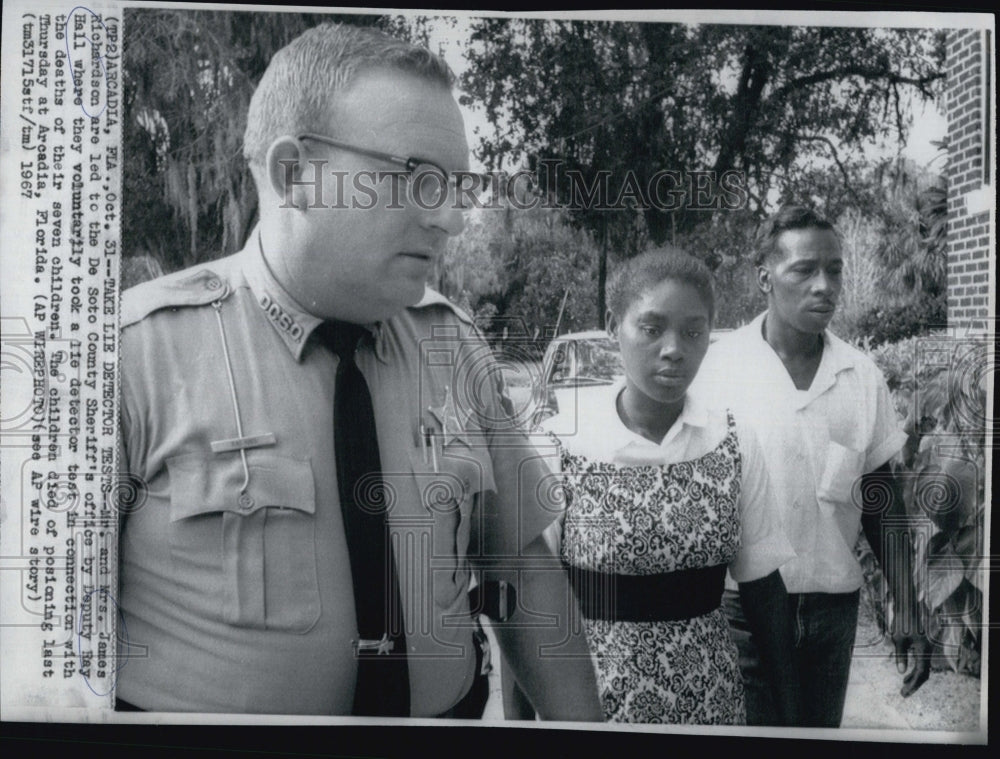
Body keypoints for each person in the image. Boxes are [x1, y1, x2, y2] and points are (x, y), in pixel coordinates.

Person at [116, 22, 602, 719]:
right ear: (294, 175)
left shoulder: (453, 345)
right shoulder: (133, 357)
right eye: (417, 179)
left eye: (457, 185)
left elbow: (519, 569)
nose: (454, 219)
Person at [692, 205, 930, 727]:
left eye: (835, 269)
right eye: (804, 270)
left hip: (832, 616)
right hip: (741, 615)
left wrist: (908, 608)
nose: (824, 285)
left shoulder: (860, 376)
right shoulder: (718, 373)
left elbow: (879, 500)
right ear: (765, 279)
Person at [539, 249, 799, 724]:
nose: (674, 348)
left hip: (709, 703)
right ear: (613, 324)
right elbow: (532, 600)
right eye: (652, 328)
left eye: (693, 331)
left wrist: (790, 718)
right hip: (592, 705)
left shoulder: (731, 441)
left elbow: (764, 588)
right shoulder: (563, 441)